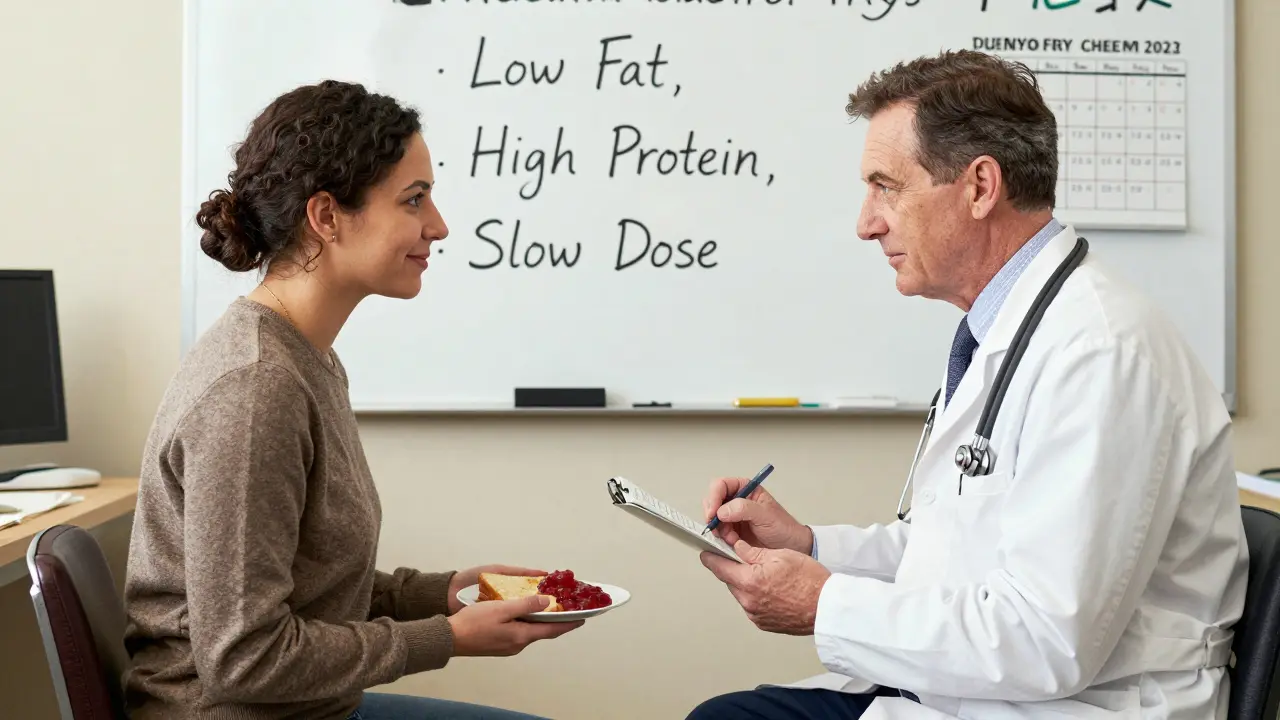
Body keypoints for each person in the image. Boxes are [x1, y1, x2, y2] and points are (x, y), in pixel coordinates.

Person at [688, 50, 1249, 719]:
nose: (866, 222)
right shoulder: (1007, 332)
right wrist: (808, 547)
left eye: (886, 186)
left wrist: (823, 603)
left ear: (980, 187)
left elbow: (1048, 640)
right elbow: (951, 554)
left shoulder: (1099, 354)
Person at [122, 80, 581, 720]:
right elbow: (243, 659)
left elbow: (305, 588)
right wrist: (448, 639)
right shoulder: (256, 390)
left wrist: (442, 595)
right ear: (327, 216)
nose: (439, 226)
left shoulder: (305, 358)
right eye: (413, 200)